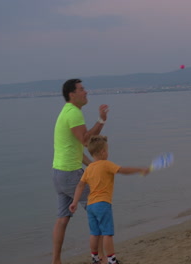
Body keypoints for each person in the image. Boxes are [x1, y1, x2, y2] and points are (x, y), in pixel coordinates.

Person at [52, 79, 109, 264]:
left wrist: (93, 165)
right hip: (70, 175)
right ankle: (101, 258)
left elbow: (76, 150)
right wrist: (101, 120)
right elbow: (86, 141)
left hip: (59, 174)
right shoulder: (74, 113)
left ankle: (56, 261)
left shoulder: (67, 112)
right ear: (72, 94)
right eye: (82, 89)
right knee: (99, 211)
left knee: (62, 219)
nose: (86, 92)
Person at [69, 135, 150, 264]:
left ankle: (95, 259)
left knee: (94, 233)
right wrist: (140, 169)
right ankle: (112, 260)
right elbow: (123, 170)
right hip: (102, 204)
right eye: (107, 150)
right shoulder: (106, 164)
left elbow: (80, 185)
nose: (108, 153)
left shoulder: (89, 168)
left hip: (91, 206)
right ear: (102, 152)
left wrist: (74, 202)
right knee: (107, 233)